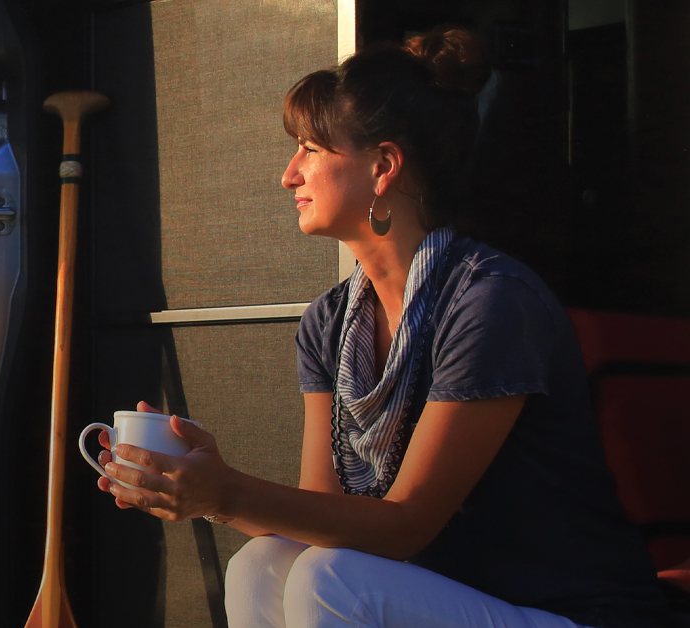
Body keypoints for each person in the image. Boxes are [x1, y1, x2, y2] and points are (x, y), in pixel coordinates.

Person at [93, 28, 670, 628]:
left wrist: (227, 491)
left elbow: (405, 526)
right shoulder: (330, 323)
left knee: (328, 579)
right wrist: (199, 493)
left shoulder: (489, 302)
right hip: (439, 596)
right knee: (261, 566)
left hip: (565, 612)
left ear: (383, 167)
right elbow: (321, 514)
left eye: (310, 149)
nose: (289, 175)